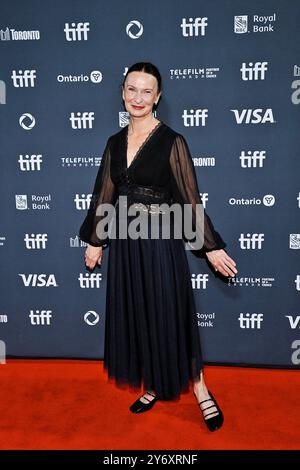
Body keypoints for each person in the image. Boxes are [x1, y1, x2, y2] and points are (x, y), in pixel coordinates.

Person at [79, 62, 238, 432]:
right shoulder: (114, 143)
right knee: (139, 314)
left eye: (146, 91)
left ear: (158, 97)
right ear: (122, 92)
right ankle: (152, 384)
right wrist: (96, 241)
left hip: (161, 243)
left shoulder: (172, 141)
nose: (138, 98)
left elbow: (189, 200)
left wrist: (210, 247)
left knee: (173, 314)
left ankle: (199, 389)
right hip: (126, 245)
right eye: (132, 89)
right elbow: (104, 193)